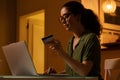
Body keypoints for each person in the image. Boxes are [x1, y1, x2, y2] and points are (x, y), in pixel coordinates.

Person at [44, 1, 103, 80]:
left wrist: (60, 51)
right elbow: (72, 71)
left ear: (78, 17)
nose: (63, 21)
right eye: (61, 18)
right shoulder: (71, 41)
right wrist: (57, 74)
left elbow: (84, 72)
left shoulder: (91, 38)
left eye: (66, 16)